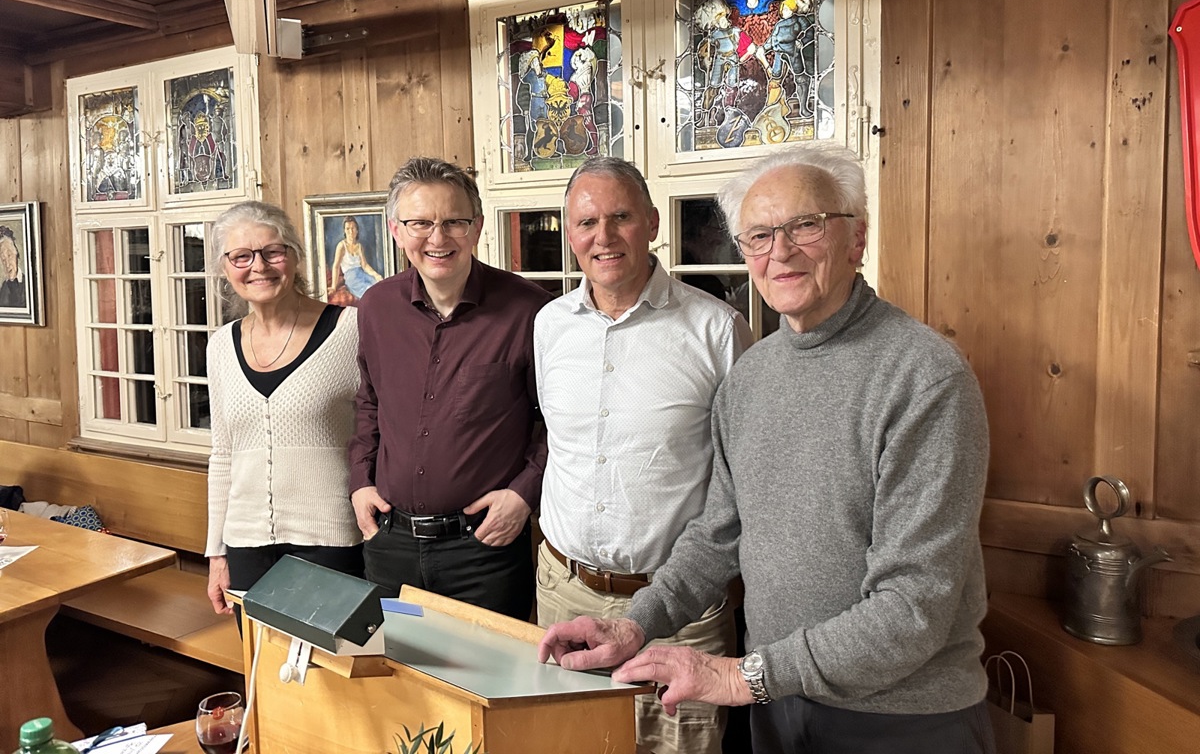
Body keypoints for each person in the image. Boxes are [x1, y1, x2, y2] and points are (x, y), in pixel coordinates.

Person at [539, 145, 994, 754]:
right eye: (757, 235)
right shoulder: (752, 378)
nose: (779, 251)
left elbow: (914, 609)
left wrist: (737, 675)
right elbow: (718, 535)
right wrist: (634, 623)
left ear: (856, 238)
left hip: (899, 718)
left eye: (805, 226)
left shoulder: (923, 377)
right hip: (778, 706)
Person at [534, 157, 752, 754]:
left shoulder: (716, 329)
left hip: (680, 606)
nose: (602, 237)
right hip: (564, 590)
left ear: (652, 222)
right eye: (585, 222)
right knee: (565, 743)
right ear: (569, 233)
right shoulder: (549, 326)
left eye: (620, 217)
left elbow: (743, 480)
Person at [348, 157, 551, 620]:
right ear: (396, 229)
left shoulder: (531, 311)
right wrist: (360, 482)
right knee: (396, 681)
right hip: (389, 542)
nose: (437, 239)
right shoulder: (376, 307)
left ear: (476, 227)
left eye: (453, 222)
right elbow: (369, 403)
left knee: (489, 686)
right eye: (420, 222)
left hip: (484, 547)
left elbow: (556, 421)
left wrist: (524, 493)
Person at [205, 201, 364, 617]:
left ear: (295, 257)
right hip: (245, 546)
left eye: (273, 252)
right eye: (241, 256)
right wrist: (217, 553)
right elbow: (222, 456)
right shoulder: (220, 345)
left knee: (331, 676)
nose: (259, 266)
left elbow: (383, 430)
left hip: (332, 539)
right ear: (226, 268)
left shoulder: (351, 329)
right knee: (261, 666)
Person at [330, 216, 383, 299]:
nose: (351, 232)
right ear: (344, 230)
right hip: (351, 278)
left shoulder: (359, 246)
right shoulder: (341, 246)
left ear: (357, 230)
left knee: (379, 285)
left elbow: (364, 265)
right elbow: (336, 266)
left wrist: (376, 275)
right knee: (369, 291)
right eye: (348, 229)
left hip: (362, 274)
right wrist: (333, 286)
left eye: (353, 228)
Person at [0, 225, 25, 308]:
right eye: (3, 259)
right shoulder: (3, 288)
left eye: (9, 255)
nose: (7, 264)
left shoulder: (28, 283)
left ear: (16, 253)